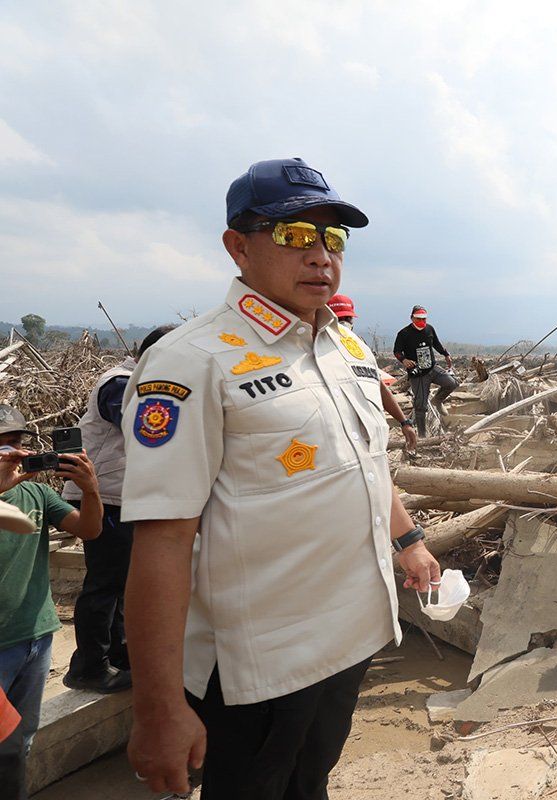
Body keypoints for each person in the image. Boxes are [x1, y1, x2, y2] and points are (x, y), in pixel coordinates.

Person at [121, 157, 441, 799]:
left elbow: (367, 466)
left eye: (334, 238)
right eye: (296, 236)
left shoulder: (346, 348)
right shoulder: (194, 360)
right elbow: (161, 539)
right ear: (238, 246)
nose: (321, 256)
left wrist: (409, 541)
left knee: (311, 783)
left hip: (350, 637)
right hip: (261, 664)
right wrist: (157, 708)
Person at [61, 325, 175, 694]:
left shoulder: (141, 383)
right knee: (105, 582)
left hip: (121, 496)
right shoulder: (121, 382)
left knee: (124, 580)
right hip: (102, 496)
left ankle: (119, 657)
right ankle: (89, 667)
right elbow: (143, 426)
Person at [0, 405, 102, 800]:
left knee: (21, 740)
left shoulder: (39, 494)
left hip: (37, 636)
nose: (12, 453)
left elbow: (89, 529)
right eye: (2, 446)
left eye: (16, 443)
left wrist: (90, 489)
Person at [328, 294, 418, 452]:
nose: (344, 324)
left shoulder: (359, 348)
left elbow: (378, 385)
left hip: (370, 435)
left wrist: (404, 422)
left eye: (347, 319)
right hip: (338, 439)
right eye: (340, 319)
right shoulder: (316, 352)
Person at [392, 305, 458, 436]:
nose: (422, 322)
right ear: (412, 318)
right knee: (421, 405)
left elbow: (436, 344)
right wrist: (404, 360)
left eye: (424, 319)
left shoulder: (429, 329)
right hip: (418, 373)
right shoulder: (404, 333)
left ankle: (438, 400)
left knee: (452, 383)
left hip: (432, 367)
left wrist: (446, 354)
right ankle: (422, 435)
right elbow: (397, 351)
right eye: (418, 319)